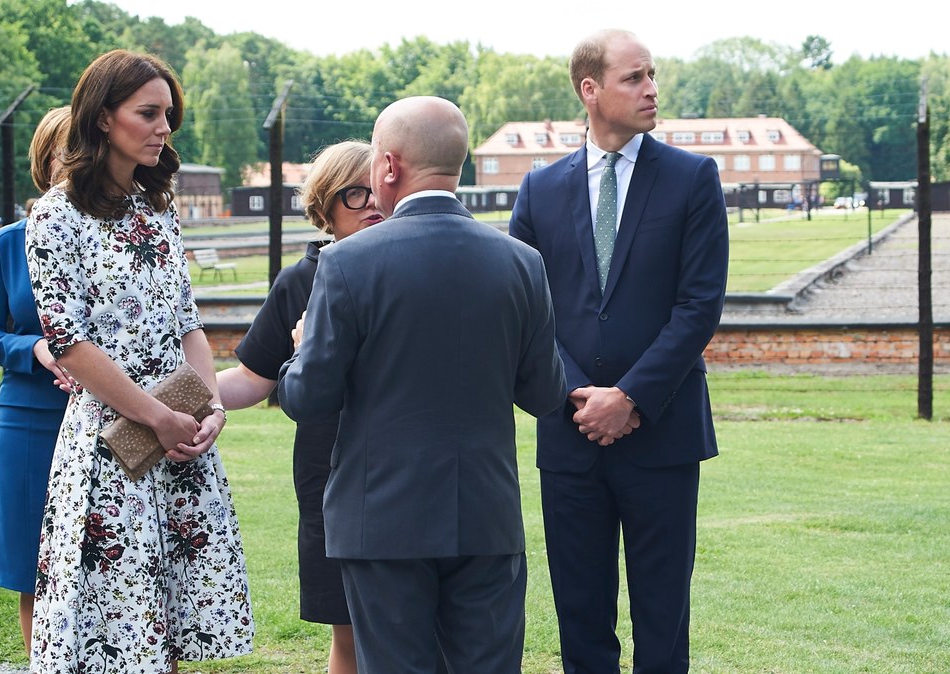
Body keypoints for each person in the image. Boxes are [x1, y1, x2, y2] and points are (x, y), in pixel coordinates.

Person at [277, 95, 566, 674]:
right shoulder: (521, 262)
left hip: (382, 519)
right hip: (485, 514)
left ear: (387, 166)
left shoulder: (347, 263)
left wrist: (301, 350)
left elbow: (308, 398)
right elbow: (544, 395)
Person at [24, 49, 253, 673]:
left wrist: (208, 411)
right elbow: (69, 342)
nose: (163, 127)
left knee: (170, 626)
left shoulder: (158, 207)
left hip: (179, 436)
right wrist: (155, 416)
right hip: (112, 443)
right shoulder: (55, 214)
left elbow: (188, 324)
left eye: (168, 115)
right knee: (114, 626)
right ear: (102, 118)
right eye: (148, 113)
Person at [509, 29, 729, 673]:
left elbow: (699, 307)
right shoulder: (539, 190)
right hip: (571, 433)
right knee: (580, 614)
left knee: (663, 617)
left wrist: (629, 397)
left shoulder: (692, 178)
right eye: (634, 78)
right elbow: (530, 307)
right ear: (590, 89)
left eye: (653, 75)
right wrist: (582, 395)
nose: (651, 89)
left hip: (662, 432)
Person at [215, 140, 384, 674]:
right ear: (325, 207)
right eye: (356, 194)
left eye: (380, 188)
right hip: (329, 476)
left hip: (405, 471)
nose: (374, 202)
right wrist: (151, 400)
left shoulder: (415, 268)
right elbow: (249, 378)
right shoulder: (302, 281)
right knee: (350, 634)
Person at [0, 105, 77, 655]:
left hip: (110, 422)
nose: (79, 160)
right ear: (45, 161)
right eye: (67, 150)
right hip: (28, 425)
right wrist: (33, 347)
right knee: (34, 570)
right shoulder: (10, 241)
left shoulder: (125, 239)